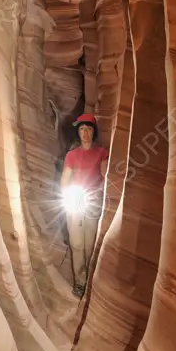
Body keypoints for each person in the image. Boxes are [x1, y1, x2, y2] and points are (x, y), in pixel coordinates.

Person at [60, 113, 108, 297]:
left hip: (92, 204)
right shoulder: (72, 155)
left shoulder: (101, 153)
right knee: (77, 243)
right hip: (75, 203)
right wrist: (66, 196)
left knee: (90, 245)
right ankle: (80, 282)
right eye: (81, 129)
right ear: (78, 133)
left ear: (93, 131)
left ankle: (90, 281)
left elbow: (104, 177)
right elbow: (65, 179)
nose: (85, 133)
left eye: (88, 129)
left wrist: (98, 194)